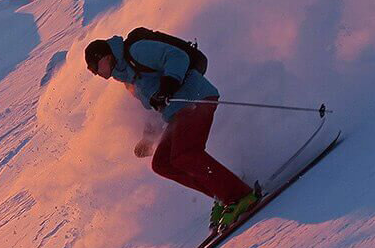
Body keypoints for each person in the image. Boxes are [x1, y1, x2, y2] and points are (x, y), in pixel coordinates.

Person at [85, 32, 258, 230]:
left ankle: (240, 195)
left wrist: (169, 87)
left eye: (93, 67)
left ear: (104, 57)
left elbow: (177, 57)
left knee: (184, 154)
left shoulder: (136, 50)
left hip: (195, 98)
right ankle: (222, 194)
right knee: (162, 163)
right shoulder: (128, 78)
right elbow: (154, 106)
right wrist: (148, 138)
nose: (95, 73)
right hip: (177, 114)